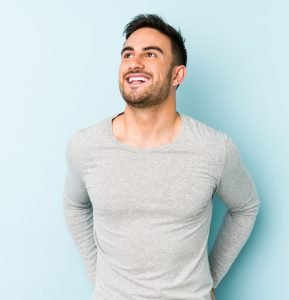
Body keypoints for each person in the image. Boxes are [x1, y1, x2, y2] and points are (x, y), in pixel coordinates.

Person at [63, 14, 260, 300]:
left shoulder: (214, 149)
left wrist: (209, 279)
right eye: (127, 54)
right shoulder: (86, 146)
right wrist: (101, 280)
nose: (134, 62)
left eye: (150, 54)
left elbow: (246, 207)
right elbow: (74, 206)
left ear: (177, 75)